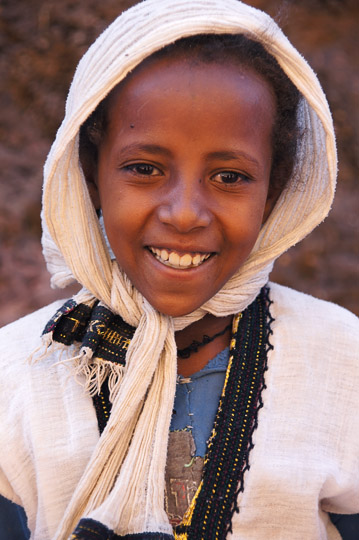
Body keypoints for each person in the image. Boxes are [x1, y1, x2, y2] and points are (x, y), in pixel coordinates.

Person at [0, 0, 358, 538]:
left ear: (275, 190)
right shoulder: (15, 376)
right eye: (144, 169)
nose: (185, 213)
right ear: (91, 178)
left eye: (230, 177)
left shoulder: (342, 362)